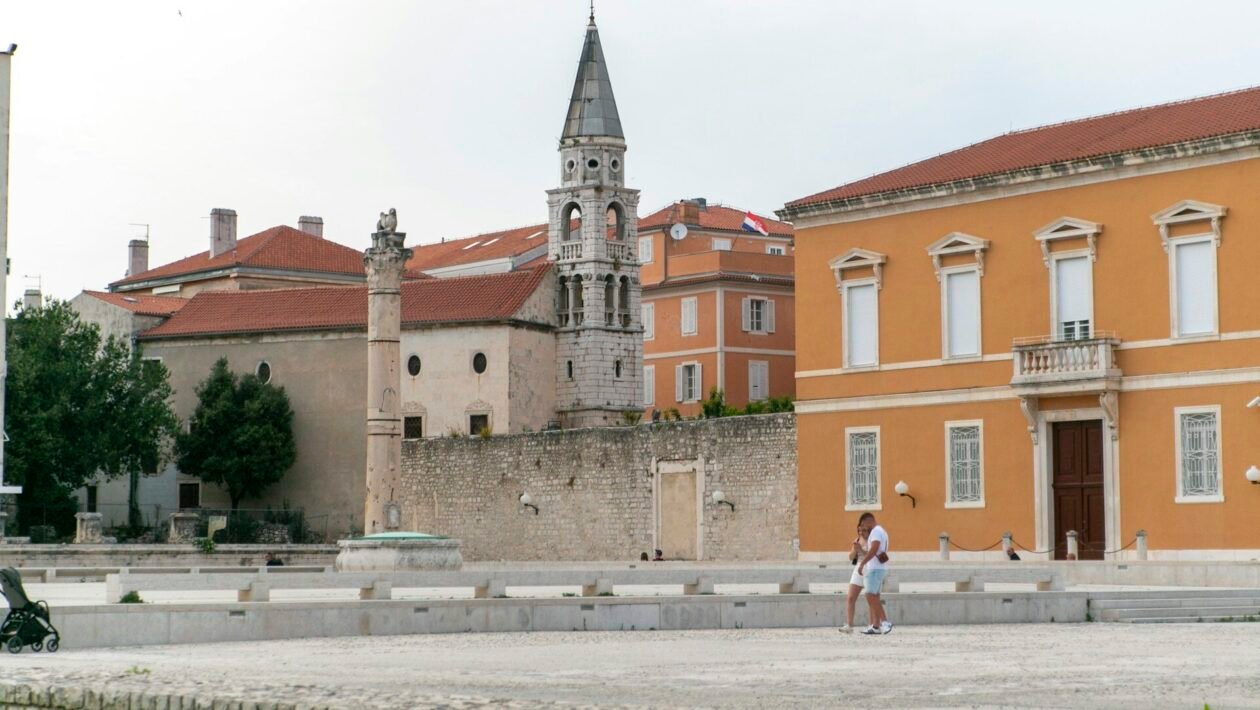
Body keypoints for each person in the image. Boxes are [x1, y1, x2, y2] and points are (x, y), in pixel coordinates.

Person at [856, 512, 892, 635]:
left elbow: (874, 549)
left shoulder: (876, 531)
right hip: (879, 567)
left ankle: (885, 622)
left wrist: (862, 563)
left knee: (870, 595)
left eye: (863, 524)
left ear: (868, 521)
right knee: (874, 595)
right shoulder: (881, 531)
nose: (864, 527)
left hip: (875, 568)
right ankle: (875, 625)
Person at [838, 522, 869, 634]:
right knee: (850, 598)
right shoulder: (857, 540)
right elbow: (851, 557)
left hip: (869, 569)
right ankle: (849, 625)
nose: (861, 533)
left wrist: (861, 549)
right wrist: (855, 549)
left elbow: (871, 555)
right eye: (859, 530)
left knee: (871, 598)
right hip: (858, 569)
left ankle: (874, 624)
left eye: (864, 530)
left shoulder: (872, 541)